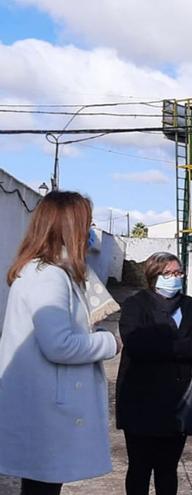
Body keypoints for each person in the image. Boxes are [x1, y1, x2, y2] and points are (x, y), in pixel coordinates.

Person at [0, 191, 121, 495]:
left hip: (43, 407)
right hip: (49, 411)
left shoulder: (48, 272)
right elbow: (59, 345)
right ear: (67, 227)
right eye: (86, 224)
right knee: (42, 486)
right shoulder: (48, 276)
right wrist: (109, 343)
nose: (90, 232)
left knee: (39, 484)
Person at [115, 252, 192, 495]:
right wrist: (182, 347)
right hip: (140, 400)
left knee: (168, 467)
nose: (174, 278)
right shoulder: (135, 305)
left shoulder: (190, 306)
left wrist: (167, 347)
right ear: (153, 276)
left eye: (178, 272)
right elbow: (137, 345)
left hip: (179, 399)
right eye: (168, 273)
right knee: (139, 467)